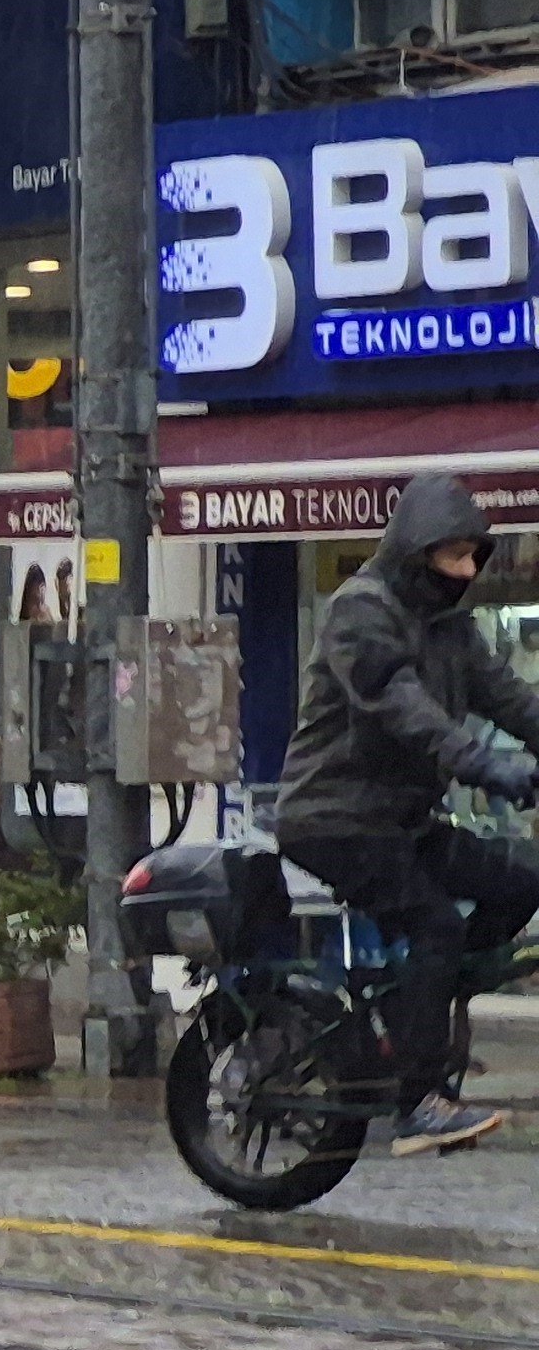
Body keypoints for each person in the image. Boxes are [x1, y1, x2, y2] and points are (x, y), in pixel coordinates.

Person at [267, 471, 539, 1157]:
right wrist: (485, 766)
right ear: (415, 550)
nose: (467, 570)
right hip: (334, 818)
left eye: (474, 556)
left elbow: (510, 699)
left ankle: (415, 1008)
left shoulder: (451, 627)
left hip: (402, 821)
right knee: (437, 922)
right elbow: (400, 706)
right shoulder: (362, 611)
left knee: (523, 880)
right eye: (453, 555)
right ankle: (419, 1101)